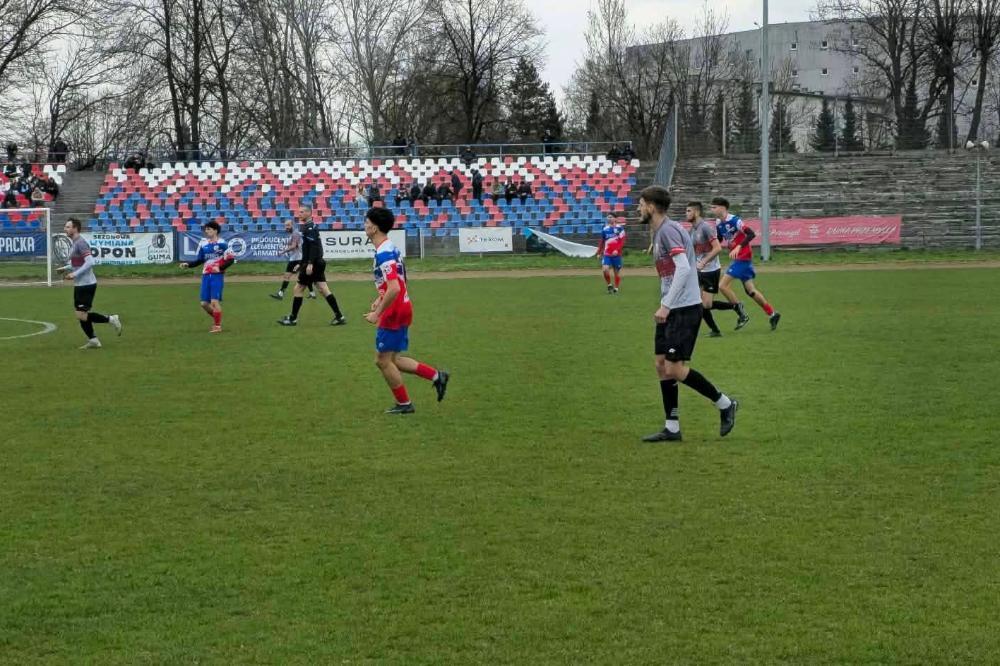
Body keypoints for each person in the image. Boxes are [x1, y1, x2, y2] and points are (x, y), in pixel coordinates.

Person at [639, 186, 738, 443]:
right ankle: (672, 427)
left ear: (651, 206)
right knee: (661, 365)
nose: (638, 209)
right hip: (673, 306)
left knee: (674, 368)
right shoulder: (662, 232)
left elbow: (684, 269)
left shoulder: (669, 230)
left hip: (683, 309)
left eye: (641, 204)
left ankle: (725, 404)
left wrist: (666, 305)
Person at [363, 207, 449, 414]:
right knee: (393, 359)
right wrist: (380, 297)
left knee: (382, 361)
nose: (364, 225)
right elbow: (400, 281)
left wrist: (378, 313)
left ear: (374, 227)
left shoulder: (383, 252)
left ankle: (405, 404)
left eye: (366, 222)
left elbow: (394, 287)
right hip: (403, 306)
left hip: (394, 310)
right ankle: (437, 376)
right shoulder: (390, 247)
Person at [711, 196, 780, 331]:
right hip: (740, 259)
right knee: (751, 291)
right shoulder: (718, 222)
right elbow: (719, 238)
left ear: (722, 208)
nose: (712, 209)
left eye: (714, 207)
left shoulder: (735, 220)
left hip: (743, 257)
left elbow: (751, 234)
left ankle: (741, 314)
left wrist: (738, 247)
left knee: (722, 286)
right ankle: (772, 313)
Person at [56, 218, 123, 349]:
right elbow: (77, 263)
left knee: (81, 314)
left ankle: (111, 319)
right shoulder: (75, 243)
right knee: (80, 315)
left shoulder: (80, 243)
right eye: (65, 227)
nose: (65, 229)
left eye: (68, 227)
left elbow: (90, 262)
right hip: (80, 284)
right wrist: (65, 268)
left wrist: (74, 274)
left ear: (75, 228)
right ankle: (93, 340)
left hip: (87, 284)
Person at [277, 205, 346, 327]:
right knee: (323, 289)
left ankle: (293, 318)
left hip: (313, 263)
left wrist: (309, 264)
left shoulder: (309, 228)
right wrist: (301, 263)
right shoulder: (308, 227)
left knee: (298, 289)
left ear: (309, 213)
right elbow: (308, 248)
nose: (299, 214)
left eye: (302, 212)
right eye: (299, 212)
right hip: (317, 262)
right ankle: (339, 316)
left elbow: (313, 247)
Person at [688, 201, 738, 337]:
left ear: (696, 212)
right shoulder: (692, 230)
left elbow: (717, 248)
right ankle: (715, 330)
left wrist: (704, 261)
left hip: (711, 270)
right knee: (699, 304)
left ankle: (736, 306)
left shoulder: (705, 228)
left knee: (706, 305)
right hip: (699, 270)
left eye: (688, 211)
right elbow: (692, 251)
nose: (686, 214)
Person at [179, 221, 235, 333]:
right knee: (204, 304)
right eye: (206, 229)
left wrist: (221, 268)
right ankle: (217, 318)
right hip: (206, 275)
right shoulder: (204, 243)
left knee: (214, 302)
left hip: (217, 276)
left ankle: (217, 326)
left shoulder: (222, 243)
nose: (207, 231)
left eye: (209, 229)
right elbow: (200, 260)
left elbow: (231, 259)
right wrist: (188, 264)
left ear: (215, 230)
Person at [270, 218, 315, 300]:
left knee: (296, 277)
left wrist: (282, 251)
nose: (286, 227)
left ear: (292, 225)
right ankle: (281, 293)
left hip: (298, 259)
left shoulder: (295, 234)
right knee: (294, 276)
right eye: (285, 226)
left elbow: (294, 246)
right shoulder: (293, 234)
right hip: (295, 258)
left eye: (288, 225)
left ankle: (281, 294)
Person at [598, 214, 626, 294]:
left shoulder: (620, 228)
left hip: (617, 254)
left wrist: (617, 250)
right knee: (605, 269)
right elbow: (602, 241)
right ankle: (609, 284)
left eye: (611, 217)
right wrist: (599, 252)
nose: (609, 218)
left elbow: (622, 241)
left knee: (616, 272)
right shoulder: (605, 228)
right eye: (608, 217)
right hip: (607, 253)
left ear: (615, 218)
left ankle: (616, 288)